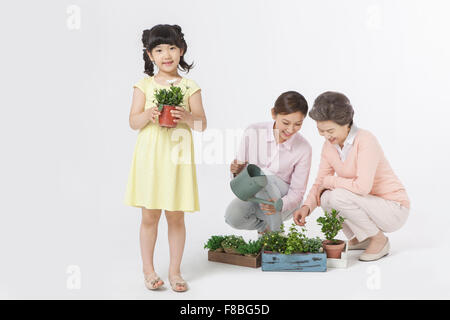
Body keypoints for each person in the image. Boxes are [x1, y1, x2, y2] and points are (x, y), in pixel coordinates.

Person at [124, 24, 207, 292]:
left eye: (172, 48)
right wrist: (148, 114)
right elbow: (132, 122)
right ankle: (148, 270)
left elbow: (202, 124)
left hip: (177, 157)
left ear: (181, 50)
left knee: (176, 216)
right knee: (149, 216)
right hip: (150, 157)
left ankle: (175, 271)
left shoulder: (189, 86)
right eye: (159, 49)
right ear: (150, 55)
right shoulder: (144, 85)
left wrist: (188, 117)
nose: (166, 54)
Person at [293, 91, 410, 261]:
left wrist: (331, 181)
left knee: (337, 195)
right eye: (321, 131)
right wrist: (307, 207)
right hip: (368, 204)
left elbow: (362, 187)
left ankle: (379, 240)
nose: (326, 136)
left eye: (330, 130)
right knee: (325, 197)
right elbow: (320, 182)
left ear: (346, 123)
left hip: (393, 208)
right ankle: (363, 237)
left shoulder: (365, 140)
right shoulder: (329, 147)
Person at [225, 91, 312, 235]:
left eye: (298, 124)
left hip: (284, 202)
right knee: (232, 217)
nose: (291, 129)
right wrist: (236, 171)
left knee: (263, 175)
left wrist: (279, 205)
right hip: (256, 196)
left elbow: (297, 192)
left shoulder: (304, 148)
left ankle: (275, 233)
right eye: (286, 122)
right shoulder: (252, 131)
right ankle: (264, 228)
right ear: (273, 113)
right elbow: (240, 180)